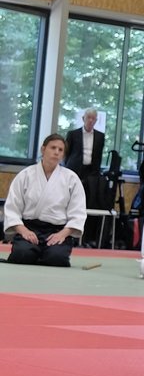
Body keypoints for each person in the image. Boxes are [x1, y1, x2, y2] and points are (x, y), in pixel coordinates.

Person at [4, 134, 86, 267]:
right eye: (53, 147)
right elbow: (12, 208)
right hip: (30, 228)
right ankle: (34, 253)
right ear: (43, 149)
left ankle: (44, 254)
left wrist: (62, 234)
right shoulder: (25, 175)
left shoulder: (71, 179)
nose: (56, 152)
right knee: (22, 254)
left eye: (60, 150)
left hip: (57, 230)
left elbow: (78, 213)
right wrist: (23, 230)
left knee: (56, 258)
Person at [63, 108, 106, 245]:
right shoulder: (73, 134)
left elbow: (98, 156)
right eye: (89, 118)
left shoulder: (100, 136)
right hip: (75, 169)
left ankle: (85, 237)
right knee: (71, 201)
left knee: (88, 203)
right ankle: (68, 235)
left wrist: (96, 172)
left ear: (96, 120)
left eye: (94, 118)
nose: (91, 120)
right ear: (83, 119)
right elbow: (67, 153)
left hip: (91, 172)